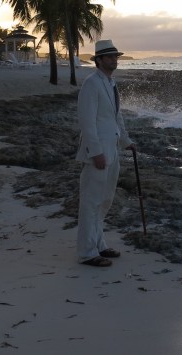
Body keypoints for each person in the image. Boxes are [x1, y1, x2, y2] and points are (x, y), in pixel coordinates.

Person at [75, 39, 135, 267]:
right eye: (110, 57)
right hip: (98, 153)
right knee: (91, 202)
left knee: (105, 200)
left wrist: (126, 141)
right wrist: (95, 152)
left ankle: (99, 244)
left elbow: (116, 117)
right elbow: (87, 122)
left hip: (113, 149)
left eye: (116, 56)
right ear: (99, 60)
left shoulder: (110, 83)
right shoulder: (92, 83)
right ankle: (87, 252)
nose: (114, 60)